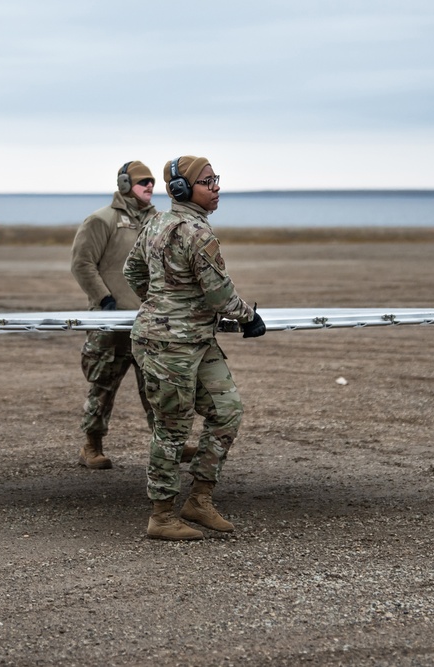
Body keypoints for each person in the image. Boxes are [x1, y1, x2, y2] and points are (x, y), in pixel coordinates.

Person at [124, 155, 266, 540]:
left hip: (197, 341)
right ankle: (162, 516)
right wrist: (247, 317)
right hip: (168, 346)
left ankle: (199, 499)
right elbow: (220, 293)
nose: (216, 188)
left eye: (216, 179)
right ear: (184, 189)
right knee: (172, 429)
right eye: (208, 182)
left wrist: (161, 301)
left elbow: (132, 272)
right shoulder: (194, 232)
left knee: (227, 410)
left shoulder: (156, 223)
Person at [70, 161, 160, 469]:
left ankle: (167, 446)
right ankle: (91, 446)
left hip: (148, 321)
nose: (150, 185)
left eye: (152, 181)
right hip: (109, 323)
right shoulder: (100, 220)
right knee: (103, 386)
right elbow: (82, 264)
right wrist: (104, 299)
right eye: (142, 181)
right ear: (124, 184)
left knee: (157, 386)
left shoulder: (160, 221)